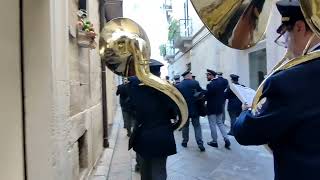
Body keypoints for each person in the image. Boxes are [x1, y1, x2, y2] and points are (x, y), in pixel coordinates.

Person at [233, 1, 320, 179]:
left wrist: (246, 111)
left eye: (284, 36)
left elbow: (247, 133)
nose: (286, 45)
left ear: (299, 27)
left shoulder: (290, 80)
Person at [128, 59, 178, 180]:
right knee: (159, 170)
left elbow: (131, 109)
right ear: (159, 74)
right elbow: (174, 112)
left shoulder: (135, 88)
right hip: (162, 134)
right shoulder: (168, 90)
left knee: (145, 171)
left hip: (143, 135)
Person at [176, 70, 206, 152]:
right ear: (188, 75)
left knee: (185, 126)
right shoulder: (195, 83)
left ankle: (185, 142)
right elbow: (201, 92)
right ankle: (200, 144)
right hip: (195, 109)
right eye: (190, 74)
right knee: (197, 126)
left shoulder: (179, 85)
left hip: (184, 110)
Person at [205, 69, 231, 149]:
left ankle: (214, 141)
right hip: (219, 107)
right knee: (220, 123)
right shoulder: (221, 83)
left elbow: (207, 96)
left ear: (211, 75)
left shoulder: (210, 85)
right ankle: (226, 139)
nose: (207, 77)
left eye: (207, 75)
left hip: (211, 108)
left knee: (212, 124)